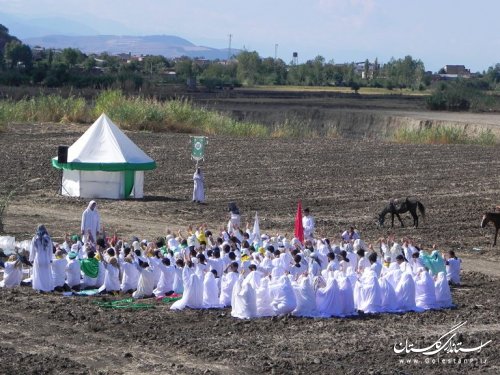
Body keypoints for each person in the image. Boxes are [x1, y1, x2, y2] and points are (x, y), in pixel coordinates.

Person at [29, 224, 54, 293]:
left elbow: (32, 250)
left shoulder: (35, 238)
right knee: (47, 273)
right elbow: (50, 250)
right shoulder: (48, 238)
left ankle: (40, 288)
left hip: (38, 258)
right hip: (46, 258)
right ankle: (48, 287)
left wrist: (31, 259)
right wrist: (50, 258)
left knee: (39, 274)